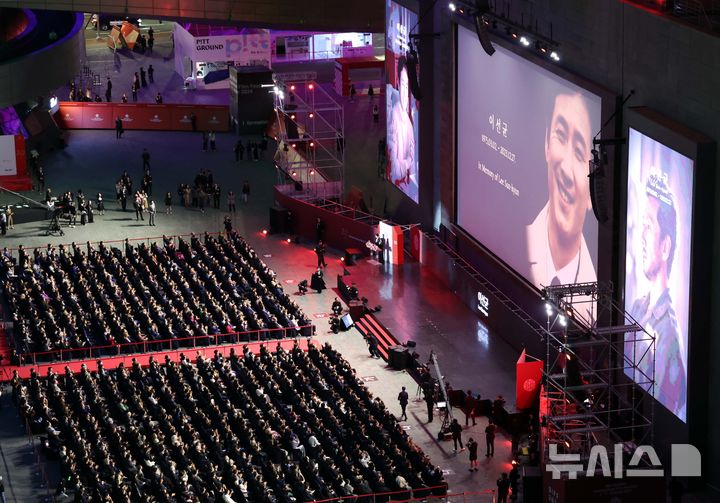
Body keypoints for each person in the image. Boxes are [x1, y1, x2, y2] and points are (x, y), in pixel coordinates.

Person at [525, 91, 597, 290]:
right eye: (561, 136)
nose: (565, 168)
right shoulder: (516, 243)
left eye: (580, 153)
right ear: (546, 143)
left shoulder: (596, 295)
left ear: (594, 192)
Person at [628, 173, 686, 416]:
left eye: (649, 226)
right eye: (642, 225)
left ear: (665, 246)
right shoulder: (638, 307)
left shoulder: (670, 337)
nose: (641, 236)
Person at [387, 56, 416, 192]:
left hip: (404, 187)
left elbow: (412, 155)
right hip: (398, 185)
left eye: (407, 86)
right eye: (402, 84)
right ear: (398, 83)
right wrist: (407, 162)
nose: (405, 92)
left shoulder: (409, 122)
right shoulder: (394, 116)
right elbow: (396, 171)